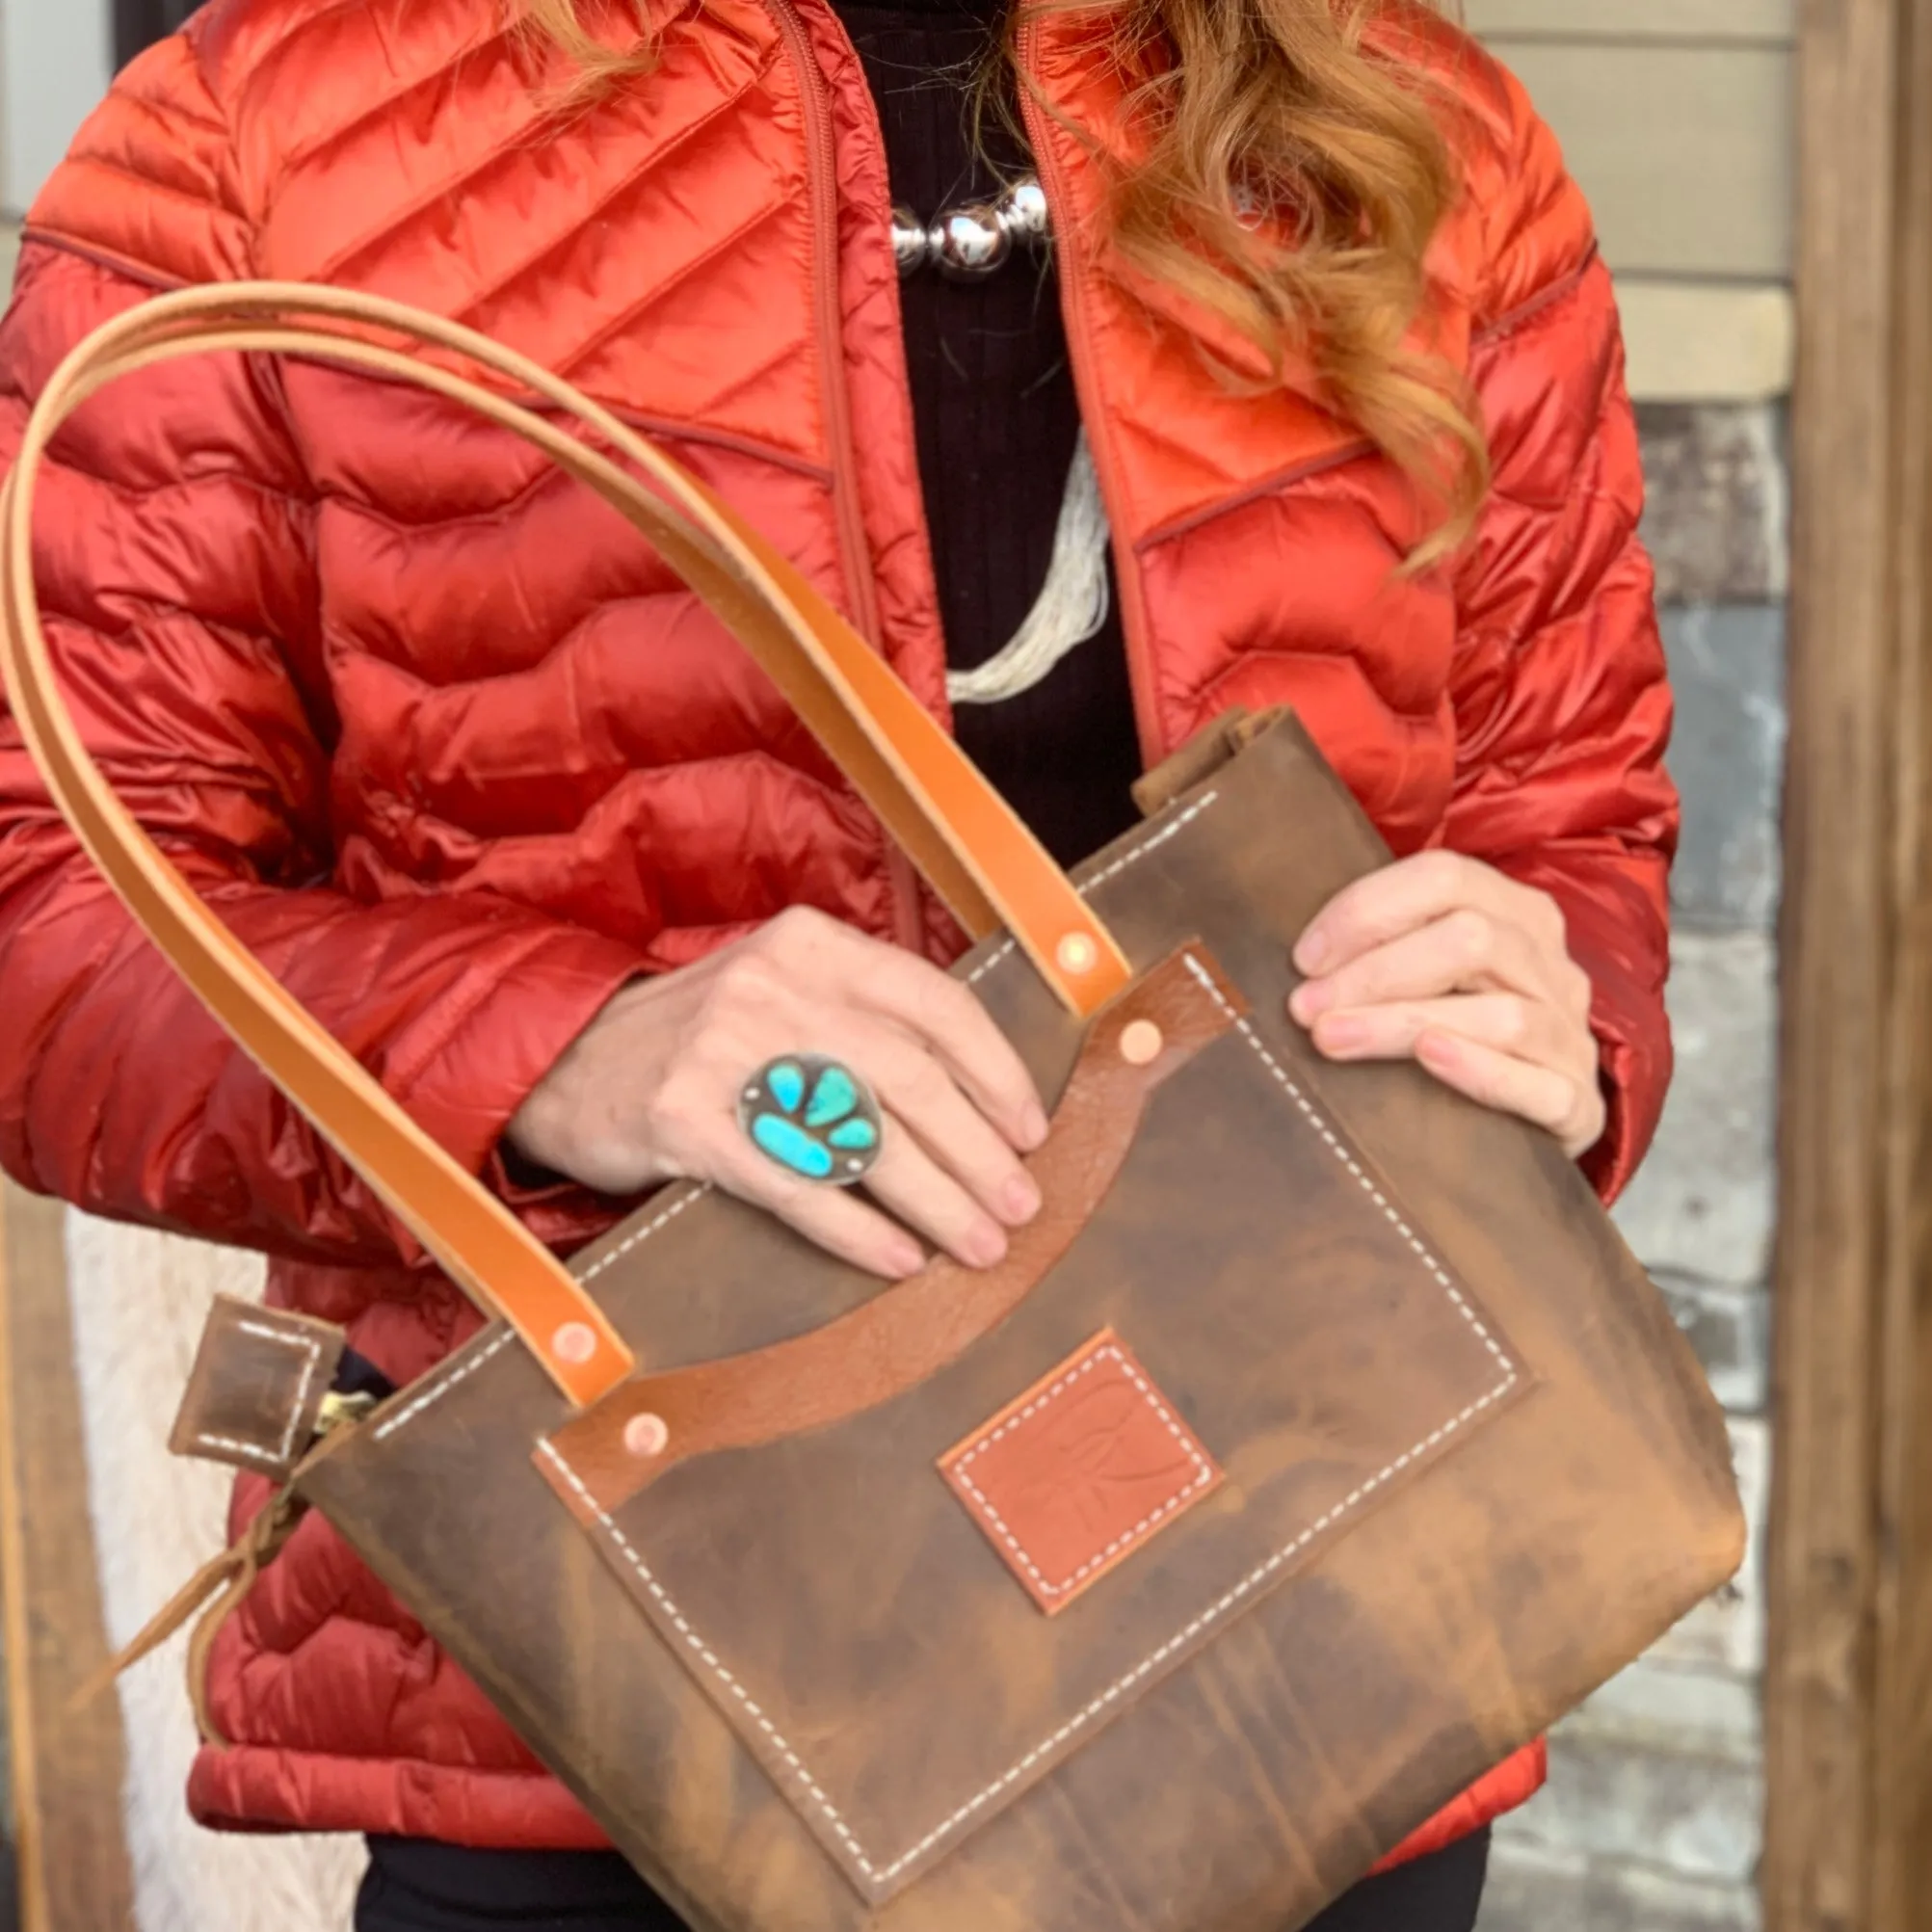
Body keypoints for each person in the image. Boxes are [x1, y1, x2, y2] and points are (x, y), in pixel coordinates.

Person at [0, 0, 1674, 1925]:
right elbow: (54, 914)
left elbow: (1565, 814)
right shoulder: (266, 131)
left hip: (1321, 1613)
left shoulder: (1410, 119)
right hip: (654, 1711)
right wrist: (574, 1049)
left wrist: (1568, 1012)